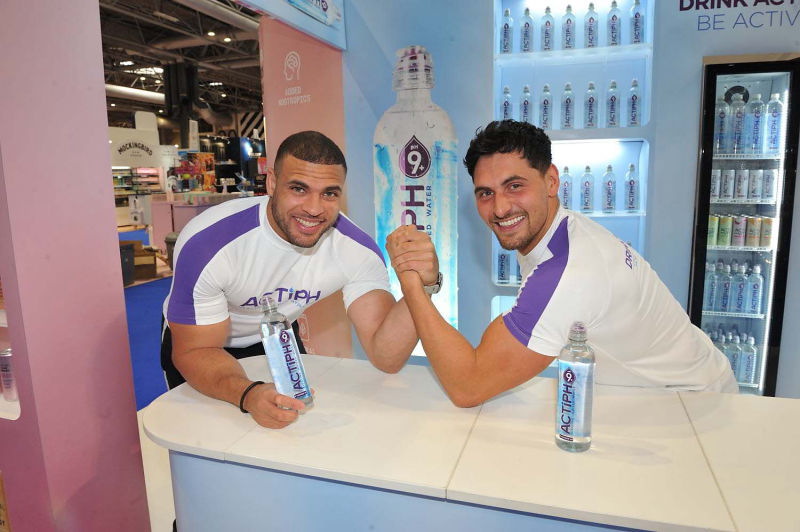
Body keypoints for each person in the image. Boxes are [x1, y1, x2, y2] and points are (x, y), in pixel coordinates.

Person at [387, 120, 737, 407]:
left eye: (515, 186)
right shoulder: (562, 231)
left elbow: (468, 386)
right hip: (672, 386)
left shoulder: (569, 274)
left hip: (689, 403)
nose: (500, 208)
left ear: (551, 181)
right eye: (486, 193)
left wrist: (413, 282)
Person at [162, 130, 441, 428]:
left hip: (278, 335)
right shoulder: (208, 242)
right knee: (204, 438)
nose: (313, 208)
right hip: (202, 343)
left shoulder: (357, 251)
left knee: (289, 433)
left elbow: (387, 356)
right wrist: (248, 394)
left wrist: (422, 285)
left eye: (329, 194)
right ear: (271, 183)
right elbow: (196, 351)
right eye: (298, 189)